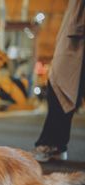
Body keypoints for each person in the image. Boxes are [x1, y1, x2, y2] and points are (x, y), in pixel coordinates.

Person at [33, 0, 84, 162]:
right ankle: (55, 145)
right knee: (59, 87)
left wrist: (76, 27)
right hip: (74, 37)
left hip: (77, 39)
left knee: (59, 88)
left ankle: (51, 144)